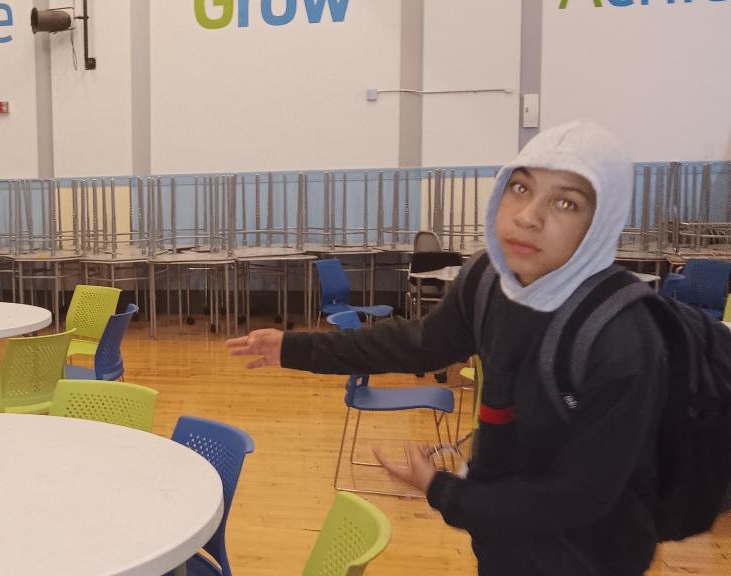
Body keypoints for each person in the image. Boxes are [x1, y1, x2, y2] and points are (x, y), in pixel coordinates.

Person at [226, 121, 666, 576]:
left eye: (565, 202)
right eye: (520, 187)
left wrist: (442, 490)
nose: (528, 216)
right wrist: (293, 348)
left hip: (589, 557)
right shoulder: (489, 280)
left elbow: (578, 497)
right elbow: (416, 344)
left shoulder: (624, 338)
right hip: (499, 540)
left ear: (602, 223)